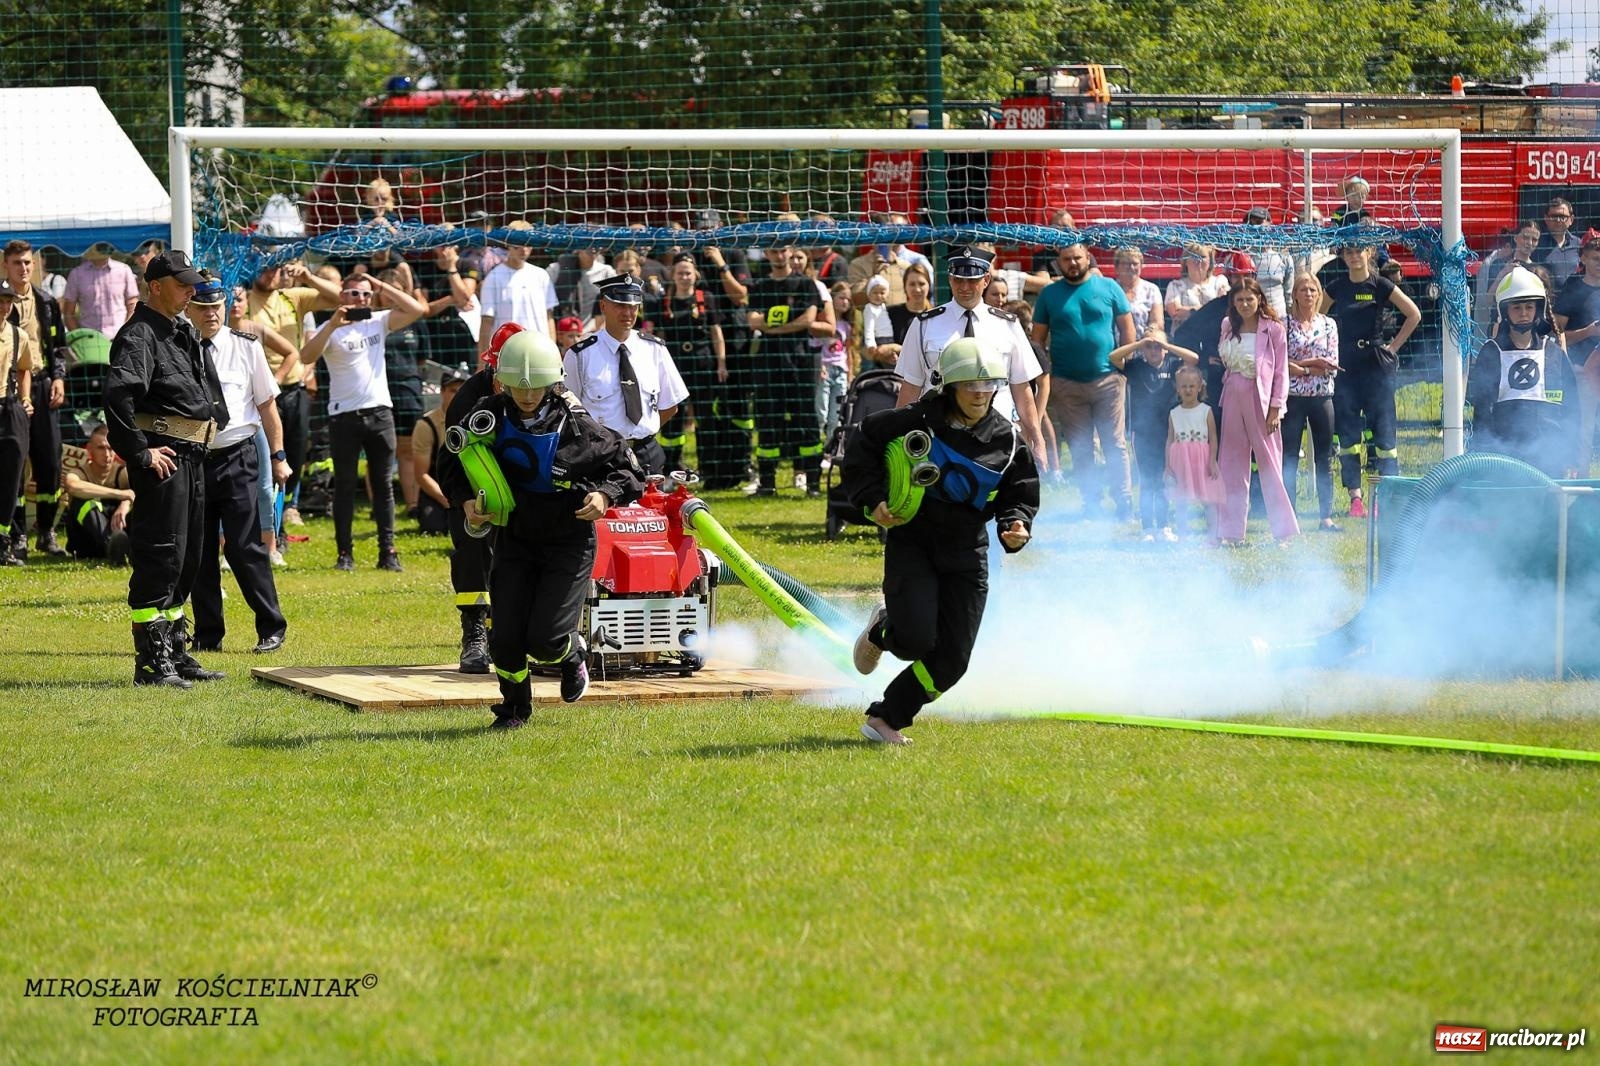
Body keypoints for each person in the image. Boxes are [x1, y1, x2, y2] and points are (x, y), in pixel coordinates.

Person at [843, 338, 1039, 746]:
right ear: (948, 385)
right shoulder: (915, 420)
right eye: (970, 384)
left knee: (951, 661)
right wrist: (873, 499)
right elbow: (862, 445)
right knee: (915, 640)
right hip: (913, 542)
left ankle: (886, 719)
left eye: (988, 386)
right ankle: (884, 630)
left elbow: (1019, 493)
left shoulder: (1008, 441)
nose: (980, 393)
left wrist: (1015, 524)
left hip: (968, 551)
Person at [461, 332, 646, 729]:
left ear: (554, 381)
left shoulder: (579, 428)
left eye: (536, 388)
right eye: (518, 388)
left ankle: (572, 656)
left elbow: (630, 471)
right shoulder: (486, 416)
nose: (527, 396)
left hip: (568, 540)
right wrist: (470, 504)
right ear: (502, 381)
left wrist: (603, 496)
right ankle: (513, 710)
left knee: (545, 639)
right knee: (505, 640)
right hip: (514, 537)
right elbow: (456, 458)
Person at [102, 250, 229, 688]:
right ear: (155, 286)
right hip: (164, 460)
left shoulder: (179, 330)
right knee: (161, 554)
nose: (191, 291)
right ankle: (152, 662)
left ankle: (175, 649)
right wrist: (140, 454)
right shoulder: (139, 335)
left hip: (192, 457)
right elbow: (119, 400)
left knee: (189, 556)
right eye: (182, 284)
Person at [184, 274, 289, 654]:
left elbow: (266, 406)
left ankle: (271, 626)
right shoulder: (179, 347)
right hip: (194, 458)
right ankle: (208, 635)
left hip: (237, 454)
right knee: (199, 549)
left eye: (217, 306)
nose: (212, 314)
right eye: (203, 307)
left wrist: (278, 455)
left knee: (245, 545)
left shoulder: (246, 347)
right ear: (188, 309)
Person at [299, 271, 430, 572]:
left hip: (380, 413)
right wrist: (333, 322)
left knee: (383, 485)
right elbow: (306, 356)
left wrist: (381, 285)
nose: (360, 299)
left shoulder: (378, 321)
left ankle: (389, 552)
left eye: (365, 295)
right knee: (344, 486)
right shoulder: (329, 327)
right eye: (354, 293)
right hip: (343, 416)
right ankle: (345, 553)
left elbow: (417, 309)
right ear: (342, 295)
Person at [893, 246, 1046, 463]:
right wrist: (897, 438)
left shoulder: (1008, 325)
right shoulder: (924, 325)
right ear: (949, 279)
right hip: (941, 437)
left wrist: (1037, 438)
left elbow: (1022, 389)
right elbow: (910, 388)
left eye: (972, 280)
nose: (964, 287)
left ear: (986, 279)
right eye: (958, 280)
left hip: (996, 436)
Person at [1031, 243, 1137, 519]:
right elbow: (1037, 341)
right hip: (1066, 383)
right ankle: (1091, 502)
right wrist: (1045, 376)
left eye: (1077, 257)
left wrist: (1125, 367)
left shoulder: (1109, 287)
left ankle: (1123, 501)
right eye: (1066, 259)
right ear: (1059, 262)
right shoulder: (1048, 294)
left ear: (1087, 257)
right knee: (1080, 446)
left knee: (1114, 443)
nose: (1073, 263)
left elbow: (1127, 328)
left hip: (1108, 380)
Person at [1321, 245, 1421, 517]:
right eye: (1348, 252)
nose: (1354, 256)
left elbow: (1414, 314)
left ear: (1369, 253)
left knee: (1383, 429)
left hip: (1376, 364)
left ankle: (1386, 493)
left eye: (1359, 251)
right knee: (1349, 432)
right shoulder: (1336, 287)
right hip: (1346, 364)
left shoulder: (1381, 284)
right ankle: (1355, 497)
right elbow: (1317, 318)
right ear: (1343, 257)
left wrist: (1392, 348)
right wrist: (1327, 351)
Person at [243, 259, 340, 529]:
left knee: (296, 454)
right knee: (266, 457)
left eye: (275, 267)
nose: (270, 272)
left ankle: (287, 507)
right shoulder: (244, 301)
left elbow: (339, 296)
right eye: (265, 267)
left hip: (293, 389)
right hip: (260, 393)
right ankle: (268, 521)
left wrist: (308, 275)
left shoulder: (292, 297)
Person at [563, 274, 688, 478]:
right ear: (603, 306)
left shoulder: (655, 349)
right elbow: (569, 412)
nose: (628, 312)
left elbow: (670, 405)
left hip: (647, 454)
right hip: (601, 455)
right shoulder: (580, 355)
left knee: (653, 510)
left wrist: (642, 433)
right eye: (620, 305)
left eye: (634, 306)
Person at [1468, 266, 1581, 478]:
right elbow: (1481, 412)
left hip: (1548, 459)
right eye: (1517, 308)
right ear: (1505, 311)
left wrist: (1571, 457)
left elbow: (1571, 407)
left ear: (1538, 310)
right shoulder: (1492, 353)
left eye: (1529, 307)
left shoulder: (1553, 354)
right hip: (1503, 457)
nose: (1523, 314)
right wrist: (1481, 454)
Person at [1215, 276, 1299, 546]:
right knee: (1230, 464)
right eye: (1239, 300)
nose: (1244, 304)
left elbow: (1280, 372)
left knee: (1269, 463)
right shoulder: (1228, 325)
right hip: (1232, 395)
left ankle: (1283, 532)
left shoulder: (1273, 328)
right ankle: (1230, 532)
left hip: (1260, 399)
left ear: (1259, 299)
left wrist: (1276, 408)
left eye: (1249, 299)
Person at [647, 253, 741, 483]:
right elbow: (657, 336)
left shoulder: (705, 298)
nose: (684, 277)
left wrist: (721, 363)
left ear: (695, 274)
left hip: (703, 364)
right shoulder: (663, 302)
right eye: (680, 272)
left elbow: (716, 332)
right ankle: (670, 469)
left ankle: (708, 470)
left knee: (706, 418)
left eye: (688, 272)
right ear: (673, 275)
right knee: (673, 419)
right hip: (674, 366)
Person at [3, 241, 69, 559]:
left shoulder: (45, 301)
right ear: (6, 266)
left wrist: (59, 377)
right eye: (17, 263)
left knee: (50, 461)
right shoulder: (2, 302)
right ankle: (16, 535)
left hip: (43, 385)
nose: (24, 268)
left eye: (28, 262)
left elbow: (58, 346)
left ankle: (46, 531)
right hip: (9, 390)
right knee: (14, 462)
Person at [742, 246, 824, 495]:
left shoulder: (805, 284)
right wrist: (786, 323)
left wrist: (770, 327)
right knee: (767, 422)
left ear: (791, 252)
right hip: (767, 363)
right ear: (767, 254)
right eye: (774, 252)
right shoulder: (759, 286)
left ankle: (812, 484)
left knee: (807, 422)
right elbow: (751, 320)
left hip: (801, 363)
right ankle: (767, 484)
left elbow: (808, 320)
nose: (779, 256)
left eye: (783, 251)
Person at [1109, 328, 1198, 541]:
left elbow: (1194, 359)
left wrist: (1166, 345)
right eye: (1150, 346)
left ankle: (1165, 525)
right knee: (1148, 480)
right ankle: (1147, 527)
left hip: (1169, 432)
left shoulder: (1174, 365)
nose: (1154, 350)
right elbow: (1113, 357)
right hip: (1143, 432)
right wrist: (1140, 344)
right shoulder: (1136, 366)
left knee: (1166, 479)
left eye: (1158, 346)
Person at [1283, 272, 1342, 531]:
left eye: (1313, 290)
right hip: (1293, 398)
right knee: (1289, 459)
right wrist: (1309, 367)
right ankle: (1289, 515)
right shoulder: (1284, 324)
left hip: (1321, 396)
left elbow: (1331, 364)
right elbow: (1281, 364)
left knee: (1324, 457)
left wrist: (1300, 366)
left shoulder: (1329, 324)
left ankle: (1325, 516)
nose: (1308, 294)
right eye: (1303, 289)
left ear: (1319, 295)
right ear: (1295, 294)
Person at [1553, 235, 1600, 472]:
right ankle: (1581, 476)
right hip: (1582, 370)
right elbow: (1558, 333)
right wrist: (1589, 332)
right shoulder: (1573, 289)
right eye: (1595, 259)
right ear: (1583, 259)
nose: (1599, 264)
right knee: (1584, 427)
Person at [0, 278, 36, 566]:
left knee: (12, 475)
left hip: (9, 407)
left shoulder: (17, 336)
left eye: (8, 301)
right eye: (0, 300)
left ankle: (4, 541)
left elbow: (25, 369)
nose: (4, 306)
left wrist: (25, 399)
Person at [478, 221, 558, 349]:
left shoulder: (541, 275)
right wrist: (482, 362)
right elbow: (486, 322)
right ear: (508, 244)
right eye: (518, 245)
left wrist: (553, 351)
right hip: (507, 354)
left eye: (528, 244)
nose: (524, 250)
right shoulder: (493, 278)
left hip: (539, 352)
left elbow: (549, 317)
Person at [61, 424, 133, 562]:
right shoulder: (79, 472)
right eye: (101, 448)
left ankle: (129, 547)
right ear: (89, 449)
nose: (106, 454)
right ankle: (114, 546)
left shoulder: (121, 472)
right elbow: (72, 486)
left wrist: (125, 504)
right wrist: (120, 494)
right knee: (83, 503)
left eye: (110, 448)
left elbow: (137, 491)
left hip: (118, 530)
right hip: (87, 544)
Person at [1165, 365, 1223, 540]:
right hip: (1181, 462)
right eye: (1183, 386)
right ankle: (1183, 536)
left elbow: (1213, 438)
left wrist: (1212, 461)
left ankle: (1213, 535)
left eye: (1191, 386)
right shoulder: (1174, 413)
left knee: (1209, 500)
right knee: (1182, 501)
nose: (1188, 390)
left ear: (1199, 387)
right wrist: (1168, 466)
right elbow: (1170, 440)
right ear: (1177, 388)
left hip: (1202, 461)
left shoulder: (1206, 411)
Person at [412, 364, 470, 535]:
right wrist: (449, 501)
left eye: (462, 391)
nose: (458, 396)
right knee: (433, 527)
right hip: (438, 487)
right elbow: (421, 474)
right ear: (442, 391)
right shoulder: (425, 424)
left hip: (468, 484)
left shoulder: (477, 420)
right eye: (453, 390)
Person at [61, 243, 139, 336]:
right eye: (101, 245)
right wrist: (80, 338)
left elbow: (133, 304)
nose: (105, 248)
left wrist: (127, 331)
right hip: (89, 339)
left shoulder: (124, 270)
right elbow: (68, 313)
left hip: (120, 336)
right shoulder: (76, 274)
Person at [1164, 246, 1227, 331]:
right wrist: (1210, 309)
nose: (1198, 260)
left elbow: (1223, 309)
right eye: (1194, 256)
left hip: (1214, 336)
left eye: (1203, 257)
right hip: (1184, 337)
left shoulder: (1220, 282)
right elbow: (1175, 312)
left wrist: (1190, 311)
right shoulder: (1175, 285)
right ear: (1185, 261)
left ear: (1210, 261)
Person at [1112, 247, 1164, 338]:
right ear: (1117, 267)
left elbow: (1157, 322)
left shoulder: (1151, 290)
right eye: (1126, 264)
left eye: (1135, 263)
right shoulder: (1110, 289)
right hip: (1115, 347)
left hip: (1143, 346)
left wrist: (1151, 330)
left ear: (1141, 265)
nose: (1131, 267)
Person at [1534, 197, 1580, 288]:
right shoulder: (1536, 244)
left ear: (1571, 219)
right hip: (1547, 299)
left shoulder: (1580, 244)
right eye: (1554, 216)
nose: (1558, 220)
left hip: (1574, 299)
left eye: (1563, 217)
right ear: (1546, 219)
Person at [860, 275, 894, 369]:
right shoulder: (869, 308)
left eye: (882, 292)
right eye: (875, 292)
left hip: (889, 340)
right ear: (869, 294)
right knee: (873, 367)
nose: (878, 296)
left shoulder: (885, 308)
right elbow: (869, 328)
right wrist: (870, 344)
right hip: (877, 340)